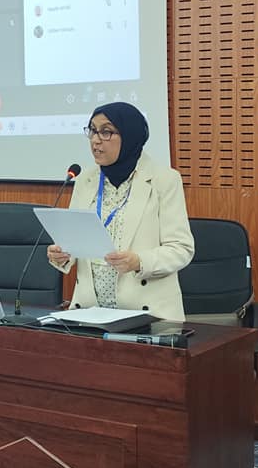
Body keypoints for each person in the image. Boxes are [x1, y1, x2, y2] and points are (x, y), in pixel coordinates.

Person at [47, 103, 194, 321]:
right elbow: (75, 242)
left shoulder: (164, 180)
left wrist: (139, 261)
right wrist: (61, 255)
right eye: (92, 130)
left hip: (147, 315)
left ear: (129, 135)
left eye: (106, 132)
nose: (96, 140)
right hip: (91, 312)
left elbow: (182, 249)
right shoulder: (85, 180)